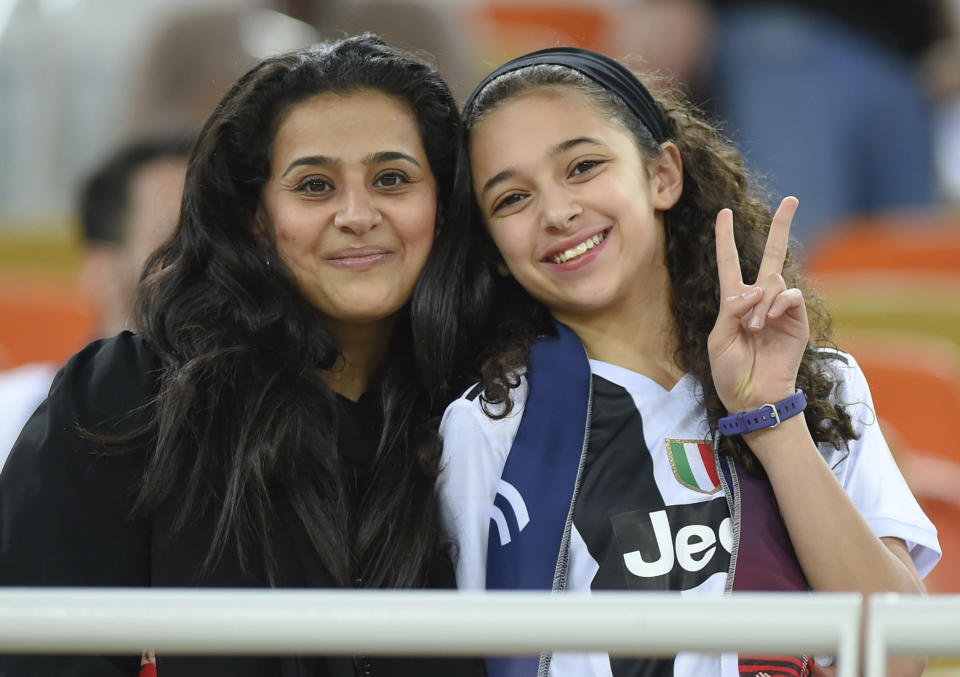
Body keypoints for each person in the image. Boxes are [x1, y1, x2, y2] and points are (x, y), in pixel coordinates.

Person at [433, 47, 941, 677]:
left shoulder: (822, 385)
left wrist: (774, 421)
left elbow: (893, 660)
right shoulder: (489, 425)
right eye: (511, 199)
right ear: (496, 249)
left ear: (663, 175)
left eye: (584, 166)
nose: (557, 212)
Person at [0, 35, 479, 677]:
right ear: (256, 217)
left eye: (392, 178)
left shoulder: (487, 412)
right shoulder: (130, 395)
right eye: (314, 185)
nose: (357, 214)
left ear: (443, 208)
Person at [0, 133, 192, 470]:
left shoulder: (278, 431)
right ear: (100, 271)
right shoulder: (10, 423)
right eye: (174, 239)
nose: (208, 259)